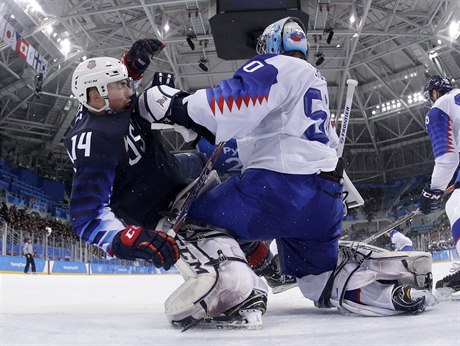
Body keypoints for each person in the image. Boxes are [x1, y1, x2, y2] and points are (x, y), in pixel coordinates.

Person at [143, 17, 435, 325]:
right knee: (318, 280)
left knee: (187, 220)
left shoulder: (275, 65)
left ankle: (233, 288)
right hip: (326, 200)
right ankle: (390, 289)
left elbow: (230, 105)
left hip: (276, 191)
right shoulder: (314, 84)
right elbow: (253, 145)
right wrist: (197, 131)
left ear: (270, 46)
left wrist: (175, 105)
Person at [66, 39, 277, 328]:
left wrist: (132, 65)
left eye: (128, 83)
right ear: (96, 95)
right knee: (223, 250)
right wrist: (124, 239)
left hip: (170, 171)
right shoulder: (92, 141)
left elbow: (112, 87)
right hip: (155, 207)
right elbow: (87, 217)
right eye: (122, 85)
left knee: (227, 210)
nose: (131, 90)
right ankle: (251, 267)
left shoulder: (105, 104)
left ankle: (265, 263)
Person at [420, 74, 460, 294]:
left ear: (434, 93)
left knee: (456, 204)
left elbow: (447, 158)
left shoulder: (440, 106)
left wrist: (433, 192)